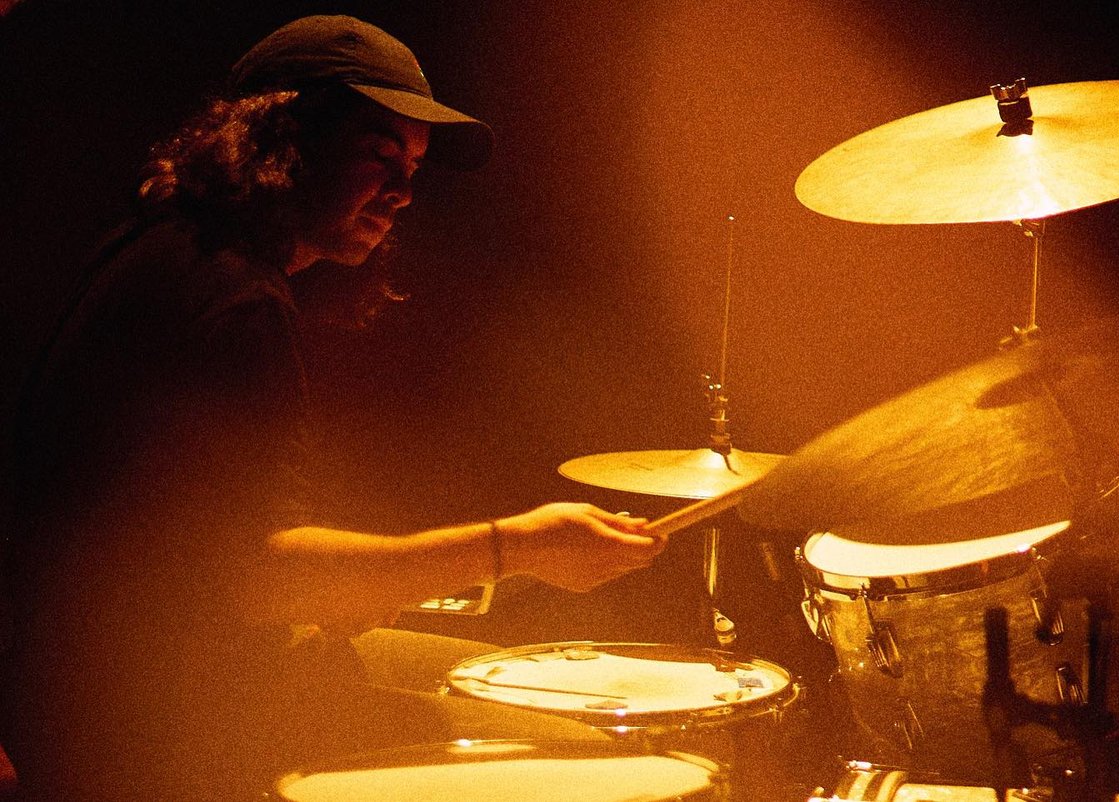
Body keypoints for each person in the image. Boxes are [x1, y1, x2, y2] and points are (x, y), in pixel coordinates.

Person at [1, 15, 666, 801]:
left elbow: (182, 548)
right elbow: (260, 575)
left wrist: (345, 591)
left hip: (82, 693)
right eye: (380, 153)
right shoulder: (232, 300)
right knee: (562, 747)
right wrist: (514, 546)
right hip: (147, 730)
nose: (404, 191)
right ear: (282, 138)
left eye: (413, 165)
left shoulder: (165, 247)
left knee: (462, 675)